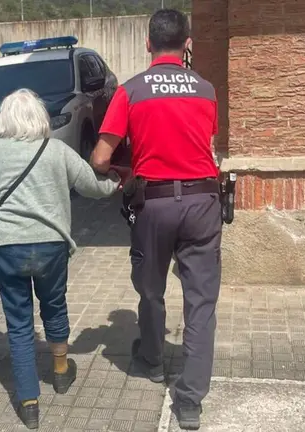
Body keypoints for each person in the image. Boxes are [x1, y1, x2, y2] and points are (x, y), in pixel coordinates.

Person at [89, 9, 222, 431]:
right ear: (187, 44)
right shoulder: (205, 89)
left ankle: (150, 358)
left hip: (155, 203)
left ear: (148, 44)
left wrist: (121, 172)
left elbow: (100, 157)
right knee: (201, 303)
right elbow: (207, 141)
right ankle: (190, 402)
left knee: (150, 288)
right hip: (204, 202)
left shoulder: (130, 91)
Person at [0, 88, 123, 429]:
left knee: (19, 324)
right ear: (40, 117)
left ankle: (29, 401)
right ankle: (61, 372)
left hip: (8, 246)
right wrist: (116, 183)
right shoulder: (57, 151)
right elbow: (90, 185)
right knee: (54, 305)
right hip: (51, 245)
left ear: (4, 120)